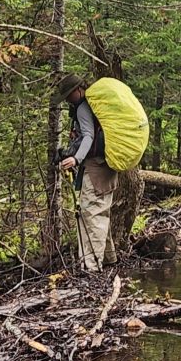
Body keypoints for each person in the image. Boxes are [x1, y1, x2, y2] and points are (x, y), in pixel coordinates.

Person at [54, 73, 118, 272]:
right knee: (101, 212)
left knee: (91, 214)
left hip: (96, 169)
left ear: (77, 90)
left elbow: (88, 135)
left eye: (68, 95)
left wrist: (76, 158)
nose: (66, 100)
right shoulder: (94, 106)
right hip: (107, 167)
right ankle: (108, 259)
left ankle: (92, 266)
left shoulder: (83, 107)